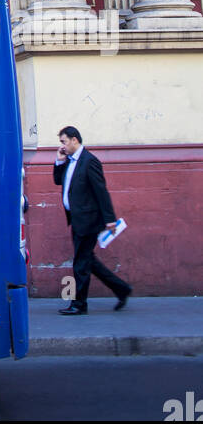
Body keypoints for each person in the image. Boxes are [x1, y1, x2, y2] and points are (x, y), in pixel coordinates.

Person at [53, 125, 132, 315]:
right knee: (88, 261)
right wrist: (58, 160)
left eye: (64, 142)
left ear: (74, 140)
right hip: (77, 219)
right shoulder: (69, 160)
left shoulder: (90, 161)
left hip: (88, 220)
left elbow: (101, 191)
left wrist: (110, 219)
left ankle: (79, 304)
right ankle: (121, 289)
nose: (62, 146)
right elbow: (57, 181)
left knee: (80, 263)